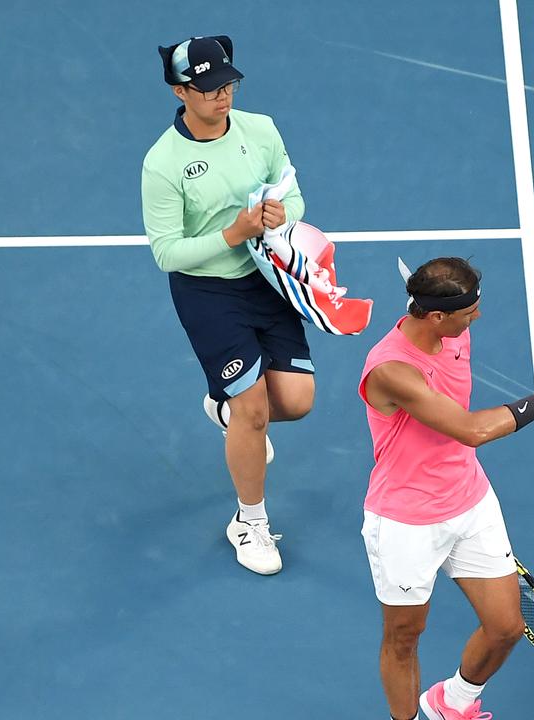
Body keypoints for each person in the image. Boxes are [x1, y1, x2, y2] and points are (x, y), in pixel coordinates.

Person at [359, 258, 534, 720]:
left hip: (470, 502)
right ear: (436, 316)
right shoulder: (392, 370)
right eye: (470, 311)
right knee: (405, 636)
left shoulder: (453, 331)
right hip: (406, 521)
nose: (478, 318)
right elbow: (469, 429)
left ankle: (453, 702)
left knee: (506, 627)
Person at [142, 35, 313, 575]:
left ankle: (224, 406)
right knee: (255, 411)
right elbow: (168, 252)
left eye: (228, 82)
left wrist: (278, 215)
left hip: (268, 276)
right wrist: (234, 233)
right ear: (180, 90)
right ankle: (250, 522)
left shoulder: (260, 129)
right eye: (210, 86)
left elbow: (292, 192)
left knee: (297, 401)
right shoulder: (163, 163)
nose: (223, 94)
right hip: (207, 289)